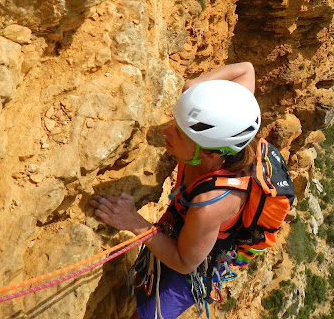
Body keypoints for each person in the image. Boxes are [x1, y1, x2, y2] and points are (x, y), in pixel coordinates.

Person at [90, 62, 261, 318]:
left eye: (179, 134)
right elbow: (246, 70)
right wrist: (195, 87)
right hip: (185, 224)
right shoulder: (229, 125)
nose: (165, 131)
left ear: (209, 154)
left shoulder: (211, 203)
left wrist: (134, 222)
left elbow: (184, 262)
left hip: (197, 263)